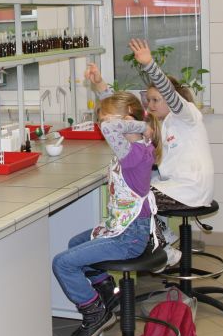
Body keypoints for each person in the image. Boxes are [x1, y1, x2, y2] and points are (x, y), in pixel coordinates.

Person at [52, 89, 161, 336]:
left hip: (129, 237)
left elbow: (111, 129)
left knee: (62, 263)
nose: (104, 126)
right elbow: (116, 120)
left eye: (109, 119)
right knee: (76, 243)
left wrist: (139, 125)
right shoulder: (136, 147)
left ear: (128, 120)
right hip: (123, 229)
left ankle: (94, 311)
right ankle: (107, 291)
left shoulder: (134, 154)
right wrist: (105, 92)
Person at [86, 38, 215, 252]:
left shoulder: (186, 116)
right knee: (140, 190)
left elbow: (170, 94)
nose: (150, 105)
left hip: (190, 188)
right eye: (149, 100)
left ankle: (163, 246)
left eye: (156, 100)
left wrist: (149, 64)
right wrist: (100, 84)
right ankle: (163, 237)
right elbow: (119, 113)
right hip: (174, 186)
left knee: (138, 198)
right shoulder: (157, 124)